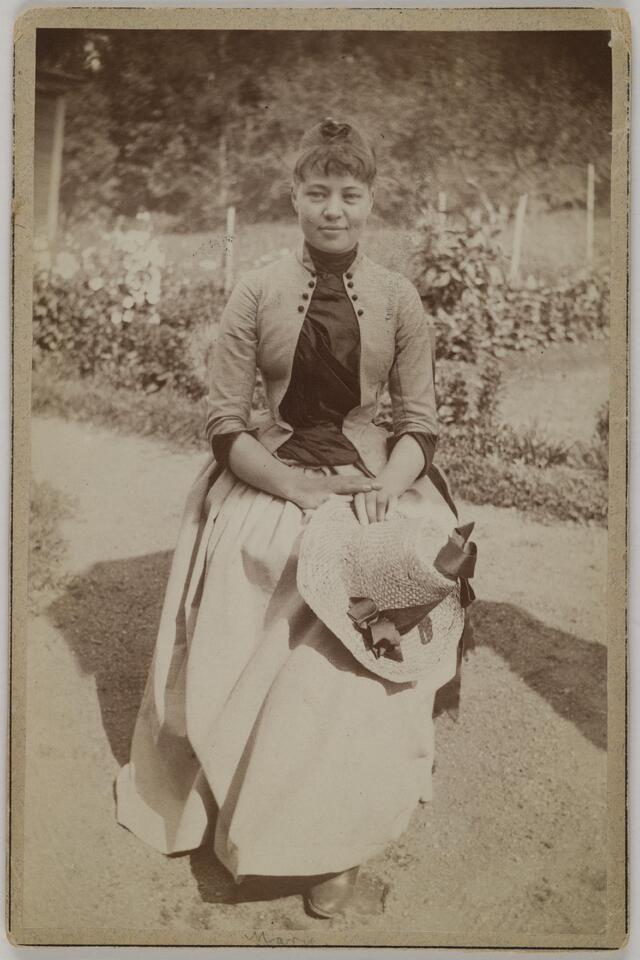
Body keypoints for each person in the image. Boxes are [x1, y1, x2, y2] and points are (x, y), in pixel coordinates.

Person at [116, 116, 470, 918]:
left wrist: (386, 479)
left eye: (349, 194)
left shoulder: (399, 298)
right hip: (276, 473)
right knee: (268, 561)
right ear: (295, 198)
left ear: (371, 202)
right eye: (317, 193)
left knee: (376, 582)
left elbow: (421, 421)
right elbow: (222, 420)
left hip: (373, 476)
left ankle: (330, 838)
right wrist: (289, 486)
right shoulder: (258, 290)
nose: (333, 209)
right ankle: (238, 802)